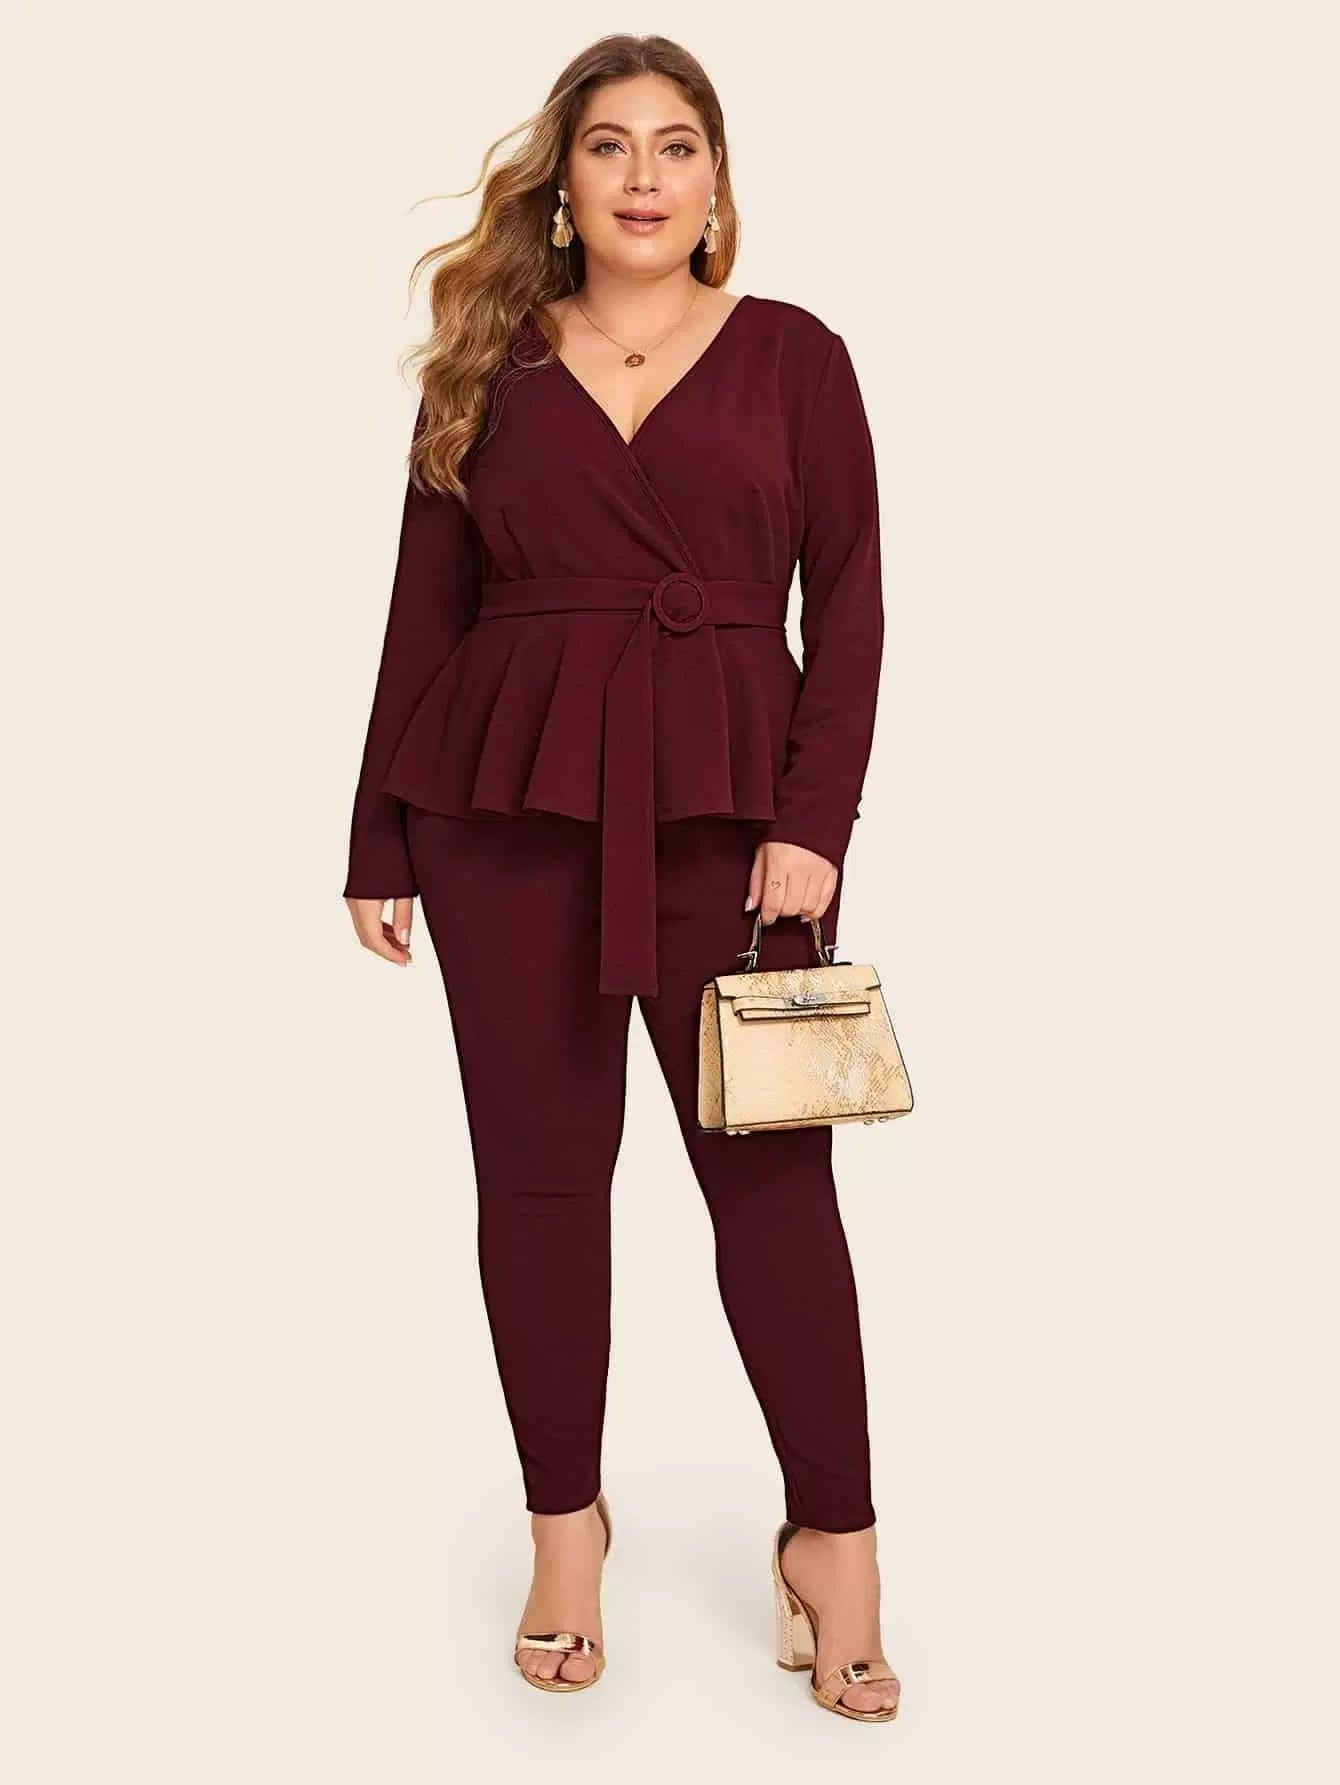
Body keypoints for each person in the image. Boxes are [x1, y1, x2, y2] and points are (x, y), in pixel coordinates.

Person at [342, 34, 900, 1723]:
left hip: (732, 820)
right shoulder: (489, 362)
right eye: (608, 146)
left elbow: (851, 607)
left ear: (718, 182)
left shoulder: (797, 357)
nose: (643, 175)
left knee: (774, 1190)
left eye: (676, 145)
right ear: (565, 182)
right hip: (505, 811)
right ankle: (564, 1532)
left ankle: (837, 1546)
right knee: (537, 1182)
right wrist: (377, 833)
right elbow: (423, 605)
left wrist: (815, 819)